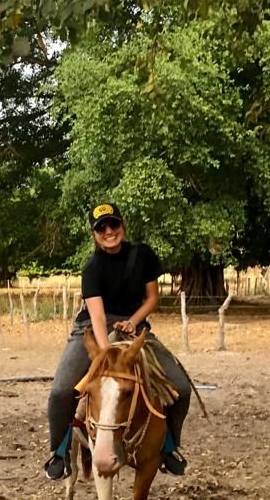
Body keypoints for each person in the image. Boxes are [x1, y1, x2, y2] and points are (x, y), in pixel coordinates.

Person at [44, 202, 192, 480]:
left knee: (181, 387)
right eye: (101, 227)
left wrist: (134, 322)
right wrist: (105, 352)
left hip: (134, 327)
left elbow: (152, 299)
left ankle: (169, 446)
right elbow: (98, 318)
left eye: (113, 224)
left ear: (123, 225)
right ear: (94, 234)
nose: (109, 231)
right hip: (93, 328)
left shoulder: (143, 255)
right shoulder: (92, 268)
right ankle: (59, 451)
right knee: (62, 391)